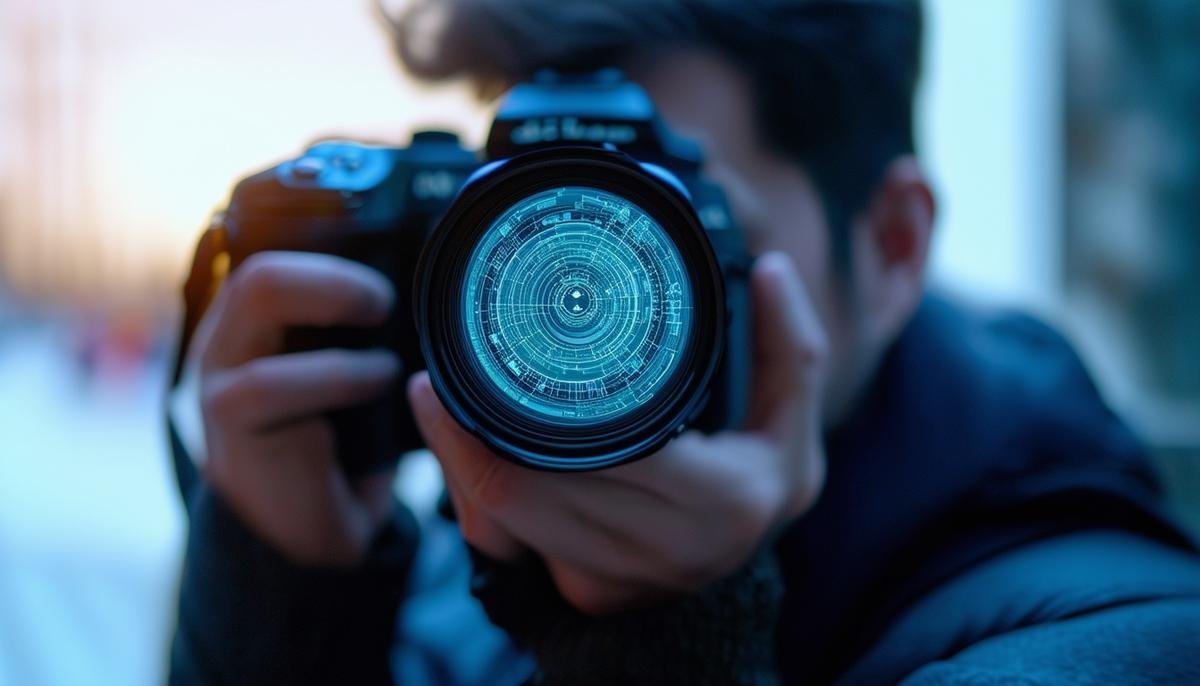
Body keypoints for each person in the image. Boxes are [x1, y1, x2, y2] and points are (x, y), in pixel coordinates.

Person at [169, 1, 1200, 684]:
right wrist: (286, 595)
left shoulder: (1123, 646)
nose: (563, 315)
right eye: (524, 222)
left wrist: (664, 642)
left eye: (673, 232)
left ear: (890, 246)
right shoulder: (463, 572)